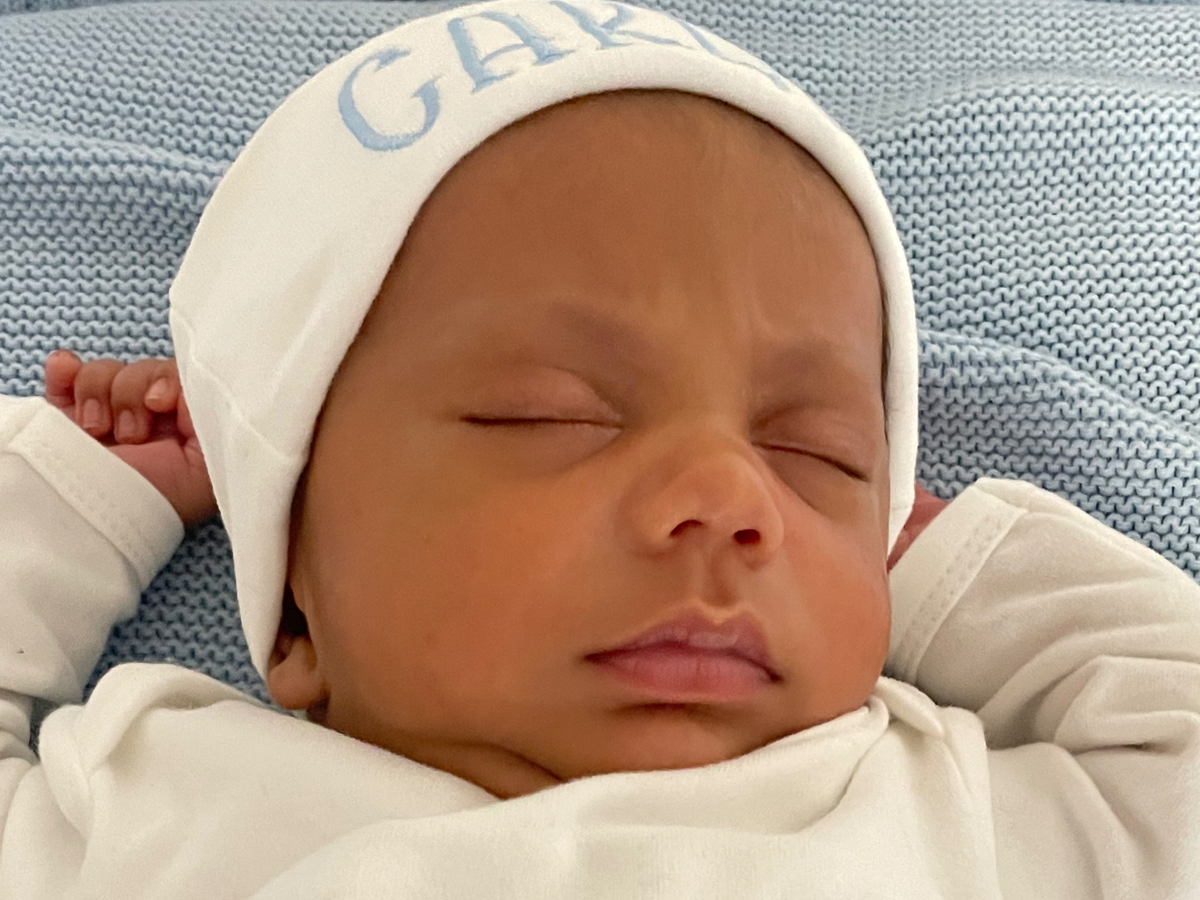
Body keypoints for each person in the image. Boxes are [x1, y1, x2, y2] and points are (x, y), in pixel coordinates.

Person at [2, 2, 1198, 897]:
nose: (729, 494)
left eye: (820, 452)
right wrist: (84, 498)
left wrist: (942, 559)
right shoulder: (181, 811)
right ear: (294, 605)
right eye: (548, 415)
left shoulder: (942, 814)